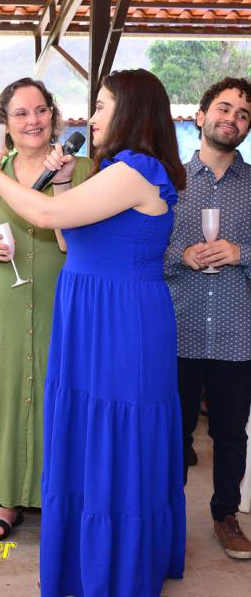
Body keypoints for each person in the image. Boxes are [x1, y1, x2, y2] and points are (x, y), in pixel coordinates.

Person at [0, 69, 186, 597]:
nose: (93, 116)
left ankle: (117, 562)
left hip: (121, 321)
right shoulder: (112, 170)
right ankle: (91, 550)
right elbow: (67, 239)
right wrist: (63, 180)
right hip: (92, 314)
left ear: (131, 111)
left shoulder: (136, 169)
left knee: (117, 434)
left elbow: (43, 214)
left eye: (103, 105)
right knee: (92, 432)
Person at [0, 77, 90, 541]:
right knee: (8, 397)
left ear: (53, 115)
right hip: (6, 314)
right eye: (21, 113)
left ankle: (64, 497)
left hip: (63, 308)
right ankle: (7, 499)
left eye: (40, 110)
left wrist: (62, 185)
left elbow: (85, 240)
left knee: (63, 398)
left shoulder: (83, 169)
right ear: (6, 124)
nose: (33, 121)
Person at [164, 77, 251, 560]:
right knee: (172, 434)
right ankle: (168, 517)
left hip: (238, 334)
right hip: (177, 330)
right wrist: (182, 255)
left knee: (231, 434)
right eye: (224, 108)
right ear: (200, 117)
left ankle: (226, 516)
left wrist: (241, 253)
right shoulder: (169, 181)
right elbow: (143, 249)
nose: (232, 118)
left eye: (243, 114)